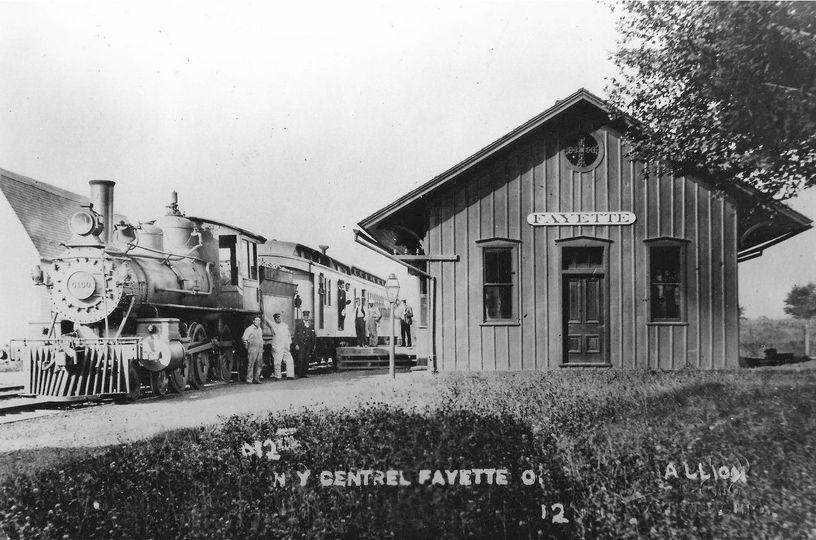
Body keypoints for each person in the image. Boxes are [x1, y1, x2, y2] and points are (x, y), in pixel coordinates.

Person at [266, 312, 295, 379]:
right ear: (274, 319)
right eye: (276, 318)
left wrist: (289, 343)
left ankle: (290, 375)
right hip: (278, 346)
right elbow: (267, 321)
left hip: (285, 346)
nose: (278, 319)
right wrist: (262, 313)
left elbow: (288, 335)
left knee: (289, 361)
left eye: (279, 317)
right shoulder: (273, 325)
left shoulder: (285, 325)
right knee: (277, 362)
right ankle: (278, 376)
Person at [241, 315, 264, 384]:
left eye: (259, 320)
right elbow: (244, 338)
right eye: (256, 320)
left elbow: (261, 339)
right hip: (252, 348)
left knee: (259, 364)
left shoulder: (260, 329)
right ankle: (249, 379)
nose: (258, 322)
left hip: (259, 348)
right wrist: (246, 345)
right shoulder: (249, 329)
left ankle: (256, 378)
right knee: (251, 364)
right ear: (253, 321)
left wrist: (262, 347)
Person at [293, 310, 316, 378]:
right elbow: (295, 335)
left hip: (308, 344)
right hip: (301, 344)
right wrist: (296, 344)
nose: (306, 317)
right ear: (303, 316)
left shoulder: (311, 325)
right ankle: (299, 374)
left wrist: (314, 344)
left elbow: (313, 335)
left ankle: (305, 373)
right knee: (300, 359)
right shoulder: (299, 324)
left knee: (306, 359)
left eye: (307, 316)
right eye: (305, 316)